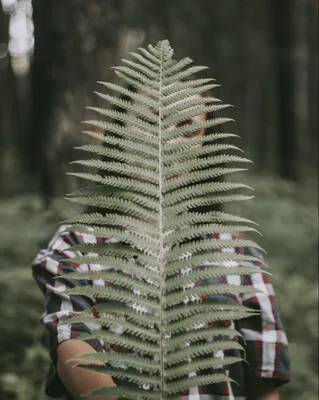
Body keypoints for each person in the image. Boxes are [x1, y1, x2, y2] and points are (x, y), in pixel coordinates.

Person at [32, 91, 290, 400]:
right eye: (149, 119)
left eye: (187, 126)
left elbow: (263, 383)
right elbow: (73, 347)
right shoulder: (78, 244)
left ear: (205, 146)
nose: (165, 136)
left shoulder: (238, 254)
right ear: (119, 134)